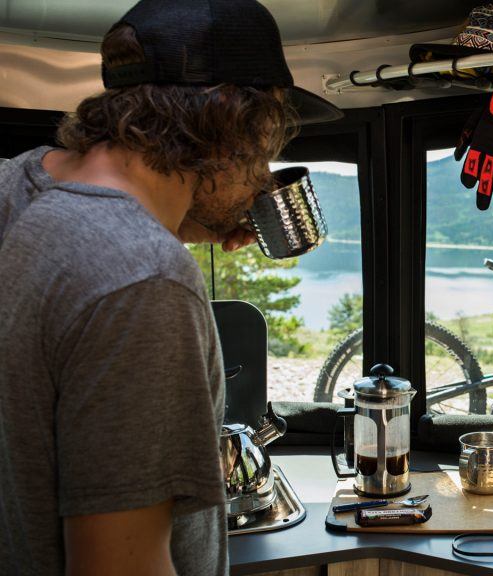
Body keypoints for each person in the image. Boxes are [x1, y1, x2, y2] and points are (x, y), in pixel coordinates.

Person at [0, 0, 329, 573]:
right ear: (234, 129)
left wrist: (183, 215)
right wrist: (158, 238)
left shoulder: (14, 184)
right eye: (266, 149)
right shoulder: (144, 279)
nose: (262, 177)